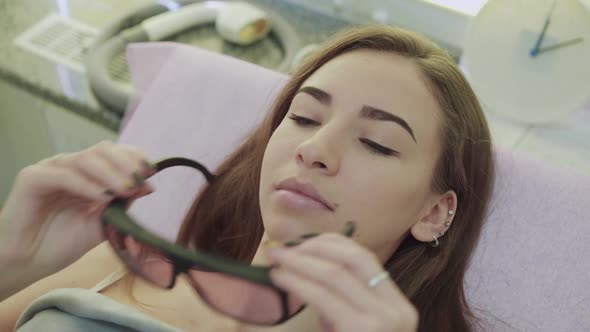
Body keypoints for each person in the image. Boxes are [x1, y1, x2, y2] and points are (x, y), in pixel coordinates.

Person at [0, 25, 494, 331]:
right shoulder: (108, 269)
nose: (314, 149)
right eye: (303, 117)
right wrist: (12, 265)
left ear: (434, 213)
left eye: (377, 143)